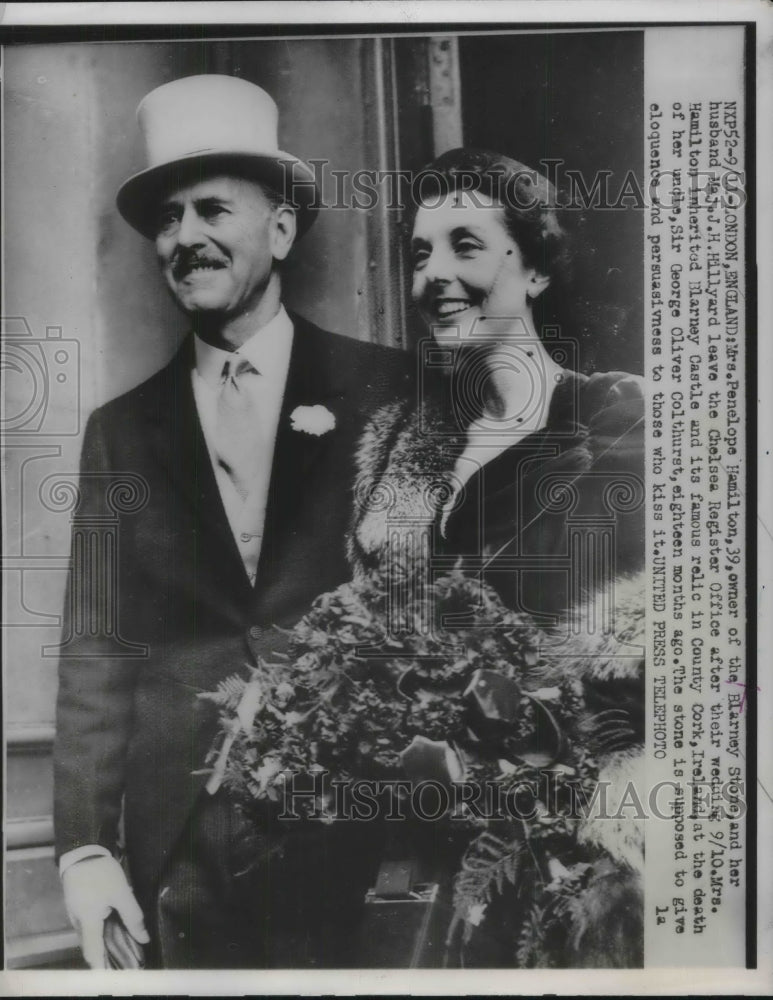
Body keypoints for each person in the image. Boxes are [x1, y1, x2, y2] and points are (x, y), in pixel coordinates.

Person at [53, 74, 411, 969]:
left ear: (281, 228)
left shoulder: (388, 394)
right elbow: (97, 647)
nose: (185, 239)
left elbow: (425, 603)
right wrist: (86, 847)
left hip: (352, 827)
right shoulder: (121, 432)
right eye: (167, 221)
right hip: (180, 844)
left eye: (212, 209)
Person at [347, 148, 646, 966]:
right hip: (431, 871)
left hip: (581, 862)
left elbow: (646, 673)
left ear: (536, 272)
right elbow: (375, 667)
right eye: (418, 253)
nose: (433, 274)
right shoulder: (398, 463)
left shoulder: (613, 425)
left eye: (465, 245)